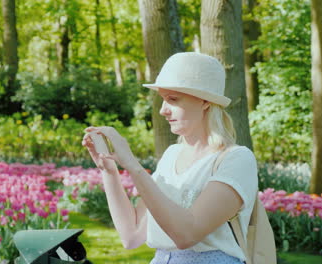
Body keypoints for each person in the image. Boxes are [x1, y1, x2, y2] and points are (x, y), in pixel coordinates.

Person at [82, 52, 258, 264]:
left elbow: (187, 234)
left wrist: (132, 165)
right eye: (163, 99)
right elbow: (132, 235)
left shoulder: (236, 159)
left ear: (204, 101)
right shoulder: (171, 156)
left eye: (173, 99)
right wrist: (108, 171)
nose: (163, 110)